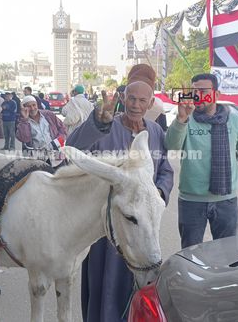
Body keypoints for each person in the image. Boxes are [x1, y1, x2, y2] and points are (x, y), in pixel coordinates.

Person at [68, 64, 174, 322]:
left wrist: (158, 193)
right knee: (105, 283)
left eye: (142, 100)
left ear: (150, 104)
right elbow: (73, 149)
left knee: (144, 281)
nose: (135, 105)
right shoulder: (106, 125)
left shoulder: (156, 132)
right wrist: (96, 124)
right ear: (123, 98)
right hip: (108, 228)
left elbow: (165, 170)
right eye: (131, 98)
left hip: (143, 227)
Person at [164, 73, 238, 249]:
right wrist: (181, 120)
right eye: (194, 92)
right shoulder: (186, 118)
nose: (197, 96)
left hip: (226, 201)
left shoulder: (235, 120)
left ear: (216, 94)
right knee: (190, 255)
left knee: (227, 254)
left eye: (203, 91)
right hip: (191, 202)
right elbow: (172, 147)